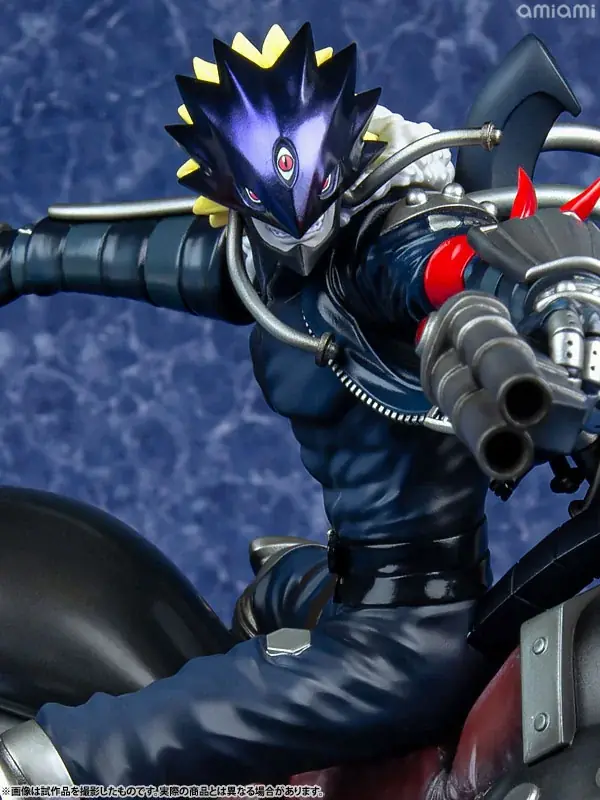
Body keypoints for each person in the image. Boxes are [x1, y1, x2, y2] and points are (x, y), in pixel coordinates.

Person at [0, 22, 598, 789]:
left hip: (406, 646)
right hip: (345, 586)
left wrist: (551, 288)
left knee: (49, 761)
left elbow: (453, 266)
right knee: (268, 592)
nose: (296, 229)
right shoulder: (263, 259)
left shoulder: (383, 249)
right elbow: (134, 256)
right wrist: (18, 256)